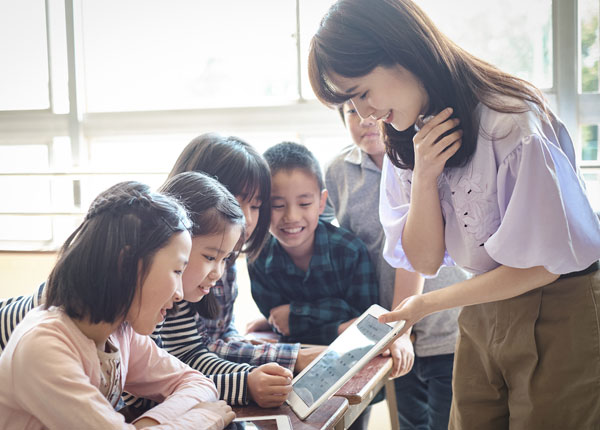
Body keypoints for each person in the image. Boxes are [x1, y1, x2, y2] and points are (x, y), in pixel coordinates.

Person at [308, 0, 600, 428]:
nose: (365, 114)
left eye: (362, 92)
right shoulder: (403, 135)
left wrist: (424, 304)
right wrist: (425, 175)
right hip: (483, 303)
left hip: (560, 307)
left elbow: (542, 266)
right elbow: (424, 260)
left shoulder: (511, 124)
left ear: (400, 52)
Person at [0, 181, 235, 429]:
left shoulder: (119, 332)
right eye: (177, 270)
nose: (178, 293)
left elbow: (198, 383)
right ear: (127, 264)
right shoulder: (44, 348)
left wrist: (148, 424)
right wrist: (202, 419)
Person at [324, 101, 466, 429]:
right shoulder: (337, 172)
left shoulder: (420, 160)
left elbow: (414, 253)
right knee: (407, 422)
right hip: (391, 333)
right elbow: (332, 246)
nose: (364, 120)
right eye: (351, 113)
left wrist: (403, 328)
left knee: (452, 421)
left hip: (447, 324)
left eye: (370, 111)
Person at [167, 133, 323, 374]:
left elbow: (221, 332)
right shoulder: (176, 270)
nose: (247, 220)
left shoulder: (225, 261)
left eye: (256, 206)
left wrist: (252, 347)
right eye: (234, 203)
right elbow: (189, 353)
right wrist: (288, 357)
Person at [248, 141, 379, 346]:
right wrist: (338, 325)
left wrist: (297, 314)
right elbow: (281, 326)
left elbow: (366, 324)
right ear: (262, 206)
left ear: (321, 202)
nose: (291, 216)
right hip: (293, 362)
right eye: (278, 205)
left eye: (304, 204)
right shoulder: (258, 257)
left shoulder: (350, 251)